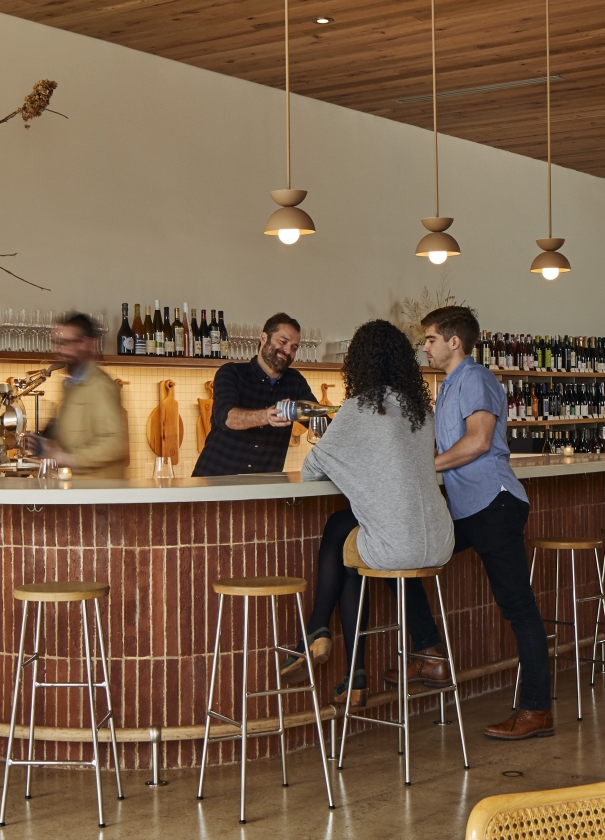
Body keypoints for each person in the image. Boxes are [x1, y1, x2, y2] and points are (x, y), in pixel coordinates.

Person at [299, 319, 456, 707]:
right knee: (349, 536)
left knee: (344, 538)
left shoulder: (358, 408)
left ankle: (322, 634)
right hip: (440, 539)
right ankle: (351, 671)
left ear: (359, 362)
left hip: (399, 546)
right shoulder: (420, 410)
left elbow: (310, 469)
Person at [418, 306, 556, 741]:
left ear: (454, 342)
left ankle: (536, 711)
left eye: (431, 339)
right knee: (406, 557)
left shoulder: (474, 378)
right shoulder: (450, 385)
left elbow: (478, 442)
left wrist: (424, 467)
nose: (425, 346)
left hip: (493, 504)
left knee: (518, 608)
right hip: (468, 510)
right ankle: (426, 650)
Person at [192, 312, 314, 476]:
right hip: (214, 481)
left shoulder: (295, 382)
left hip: (261, 489)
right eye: (283, 342)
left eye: (294, 347)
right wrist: (267, 416)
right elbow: (227, 417)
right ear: (264, 338)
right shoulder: (231, 372)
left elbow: (318, 422)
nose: (288, 351)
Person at [21, 312, 129, 478]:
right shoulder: (72, 386)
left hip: (101, 495)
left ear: (87, 343)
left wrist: (67, 459)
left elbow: (115, 443)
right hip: (81, 492)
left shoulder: (100, 385)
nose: (60, 350)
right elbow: (72, 441)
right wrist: (43, 446)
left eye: (66, 343)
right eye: (57, 343)